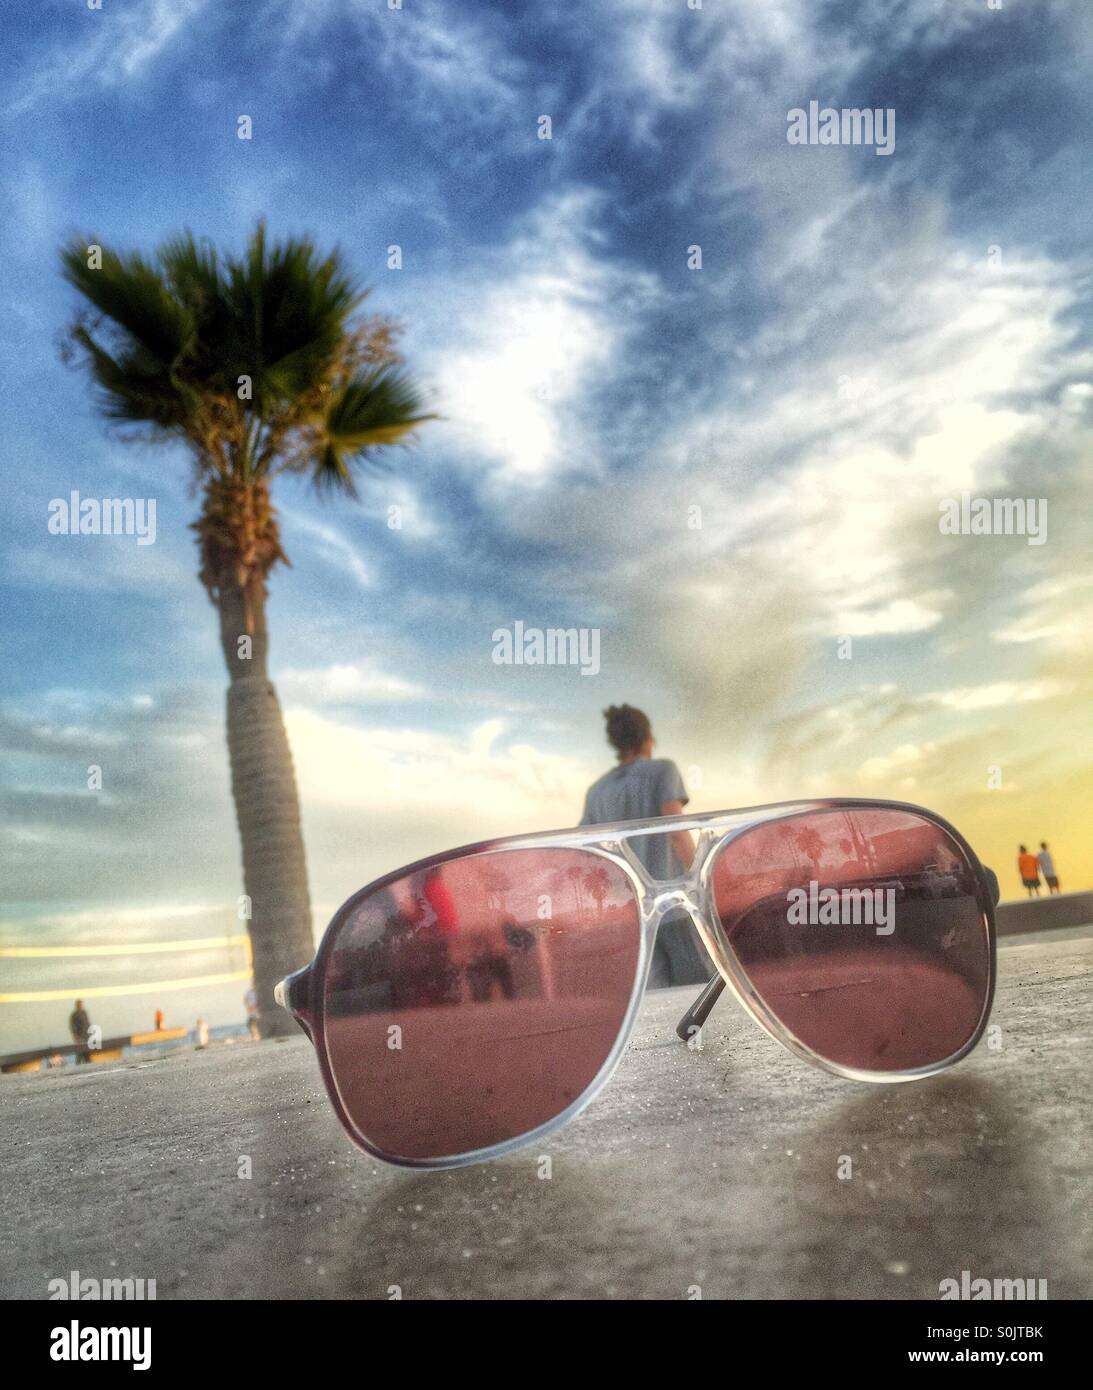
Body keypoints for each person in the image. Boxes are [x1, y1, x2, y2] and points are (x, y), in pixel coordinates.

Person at [580, 704, 712, 987]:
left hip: (633, 917)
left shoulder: (597, 791)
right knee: (699, 993)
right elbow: (677, 833)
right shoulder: (662, 771)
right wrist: (703, 884)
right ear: (648, 738)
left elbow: (588, 853)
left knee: (656, 1004)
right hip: (675, 906)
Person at [68, 999, 91, 1064]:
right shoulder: (74, 1014)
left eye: (81, 1004)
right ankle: (78, 1064)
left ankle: (88, 1063)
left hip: (86, 1035)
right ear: (76, 1005)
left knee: (86, 1051)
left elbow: (88, 1023)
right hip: (79, 1036)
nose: (80, 1005)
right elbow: (72, 1026)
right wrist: (75, 1035)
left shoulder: (84, 1012)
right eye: (79, 1004)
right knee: (79, 1052)